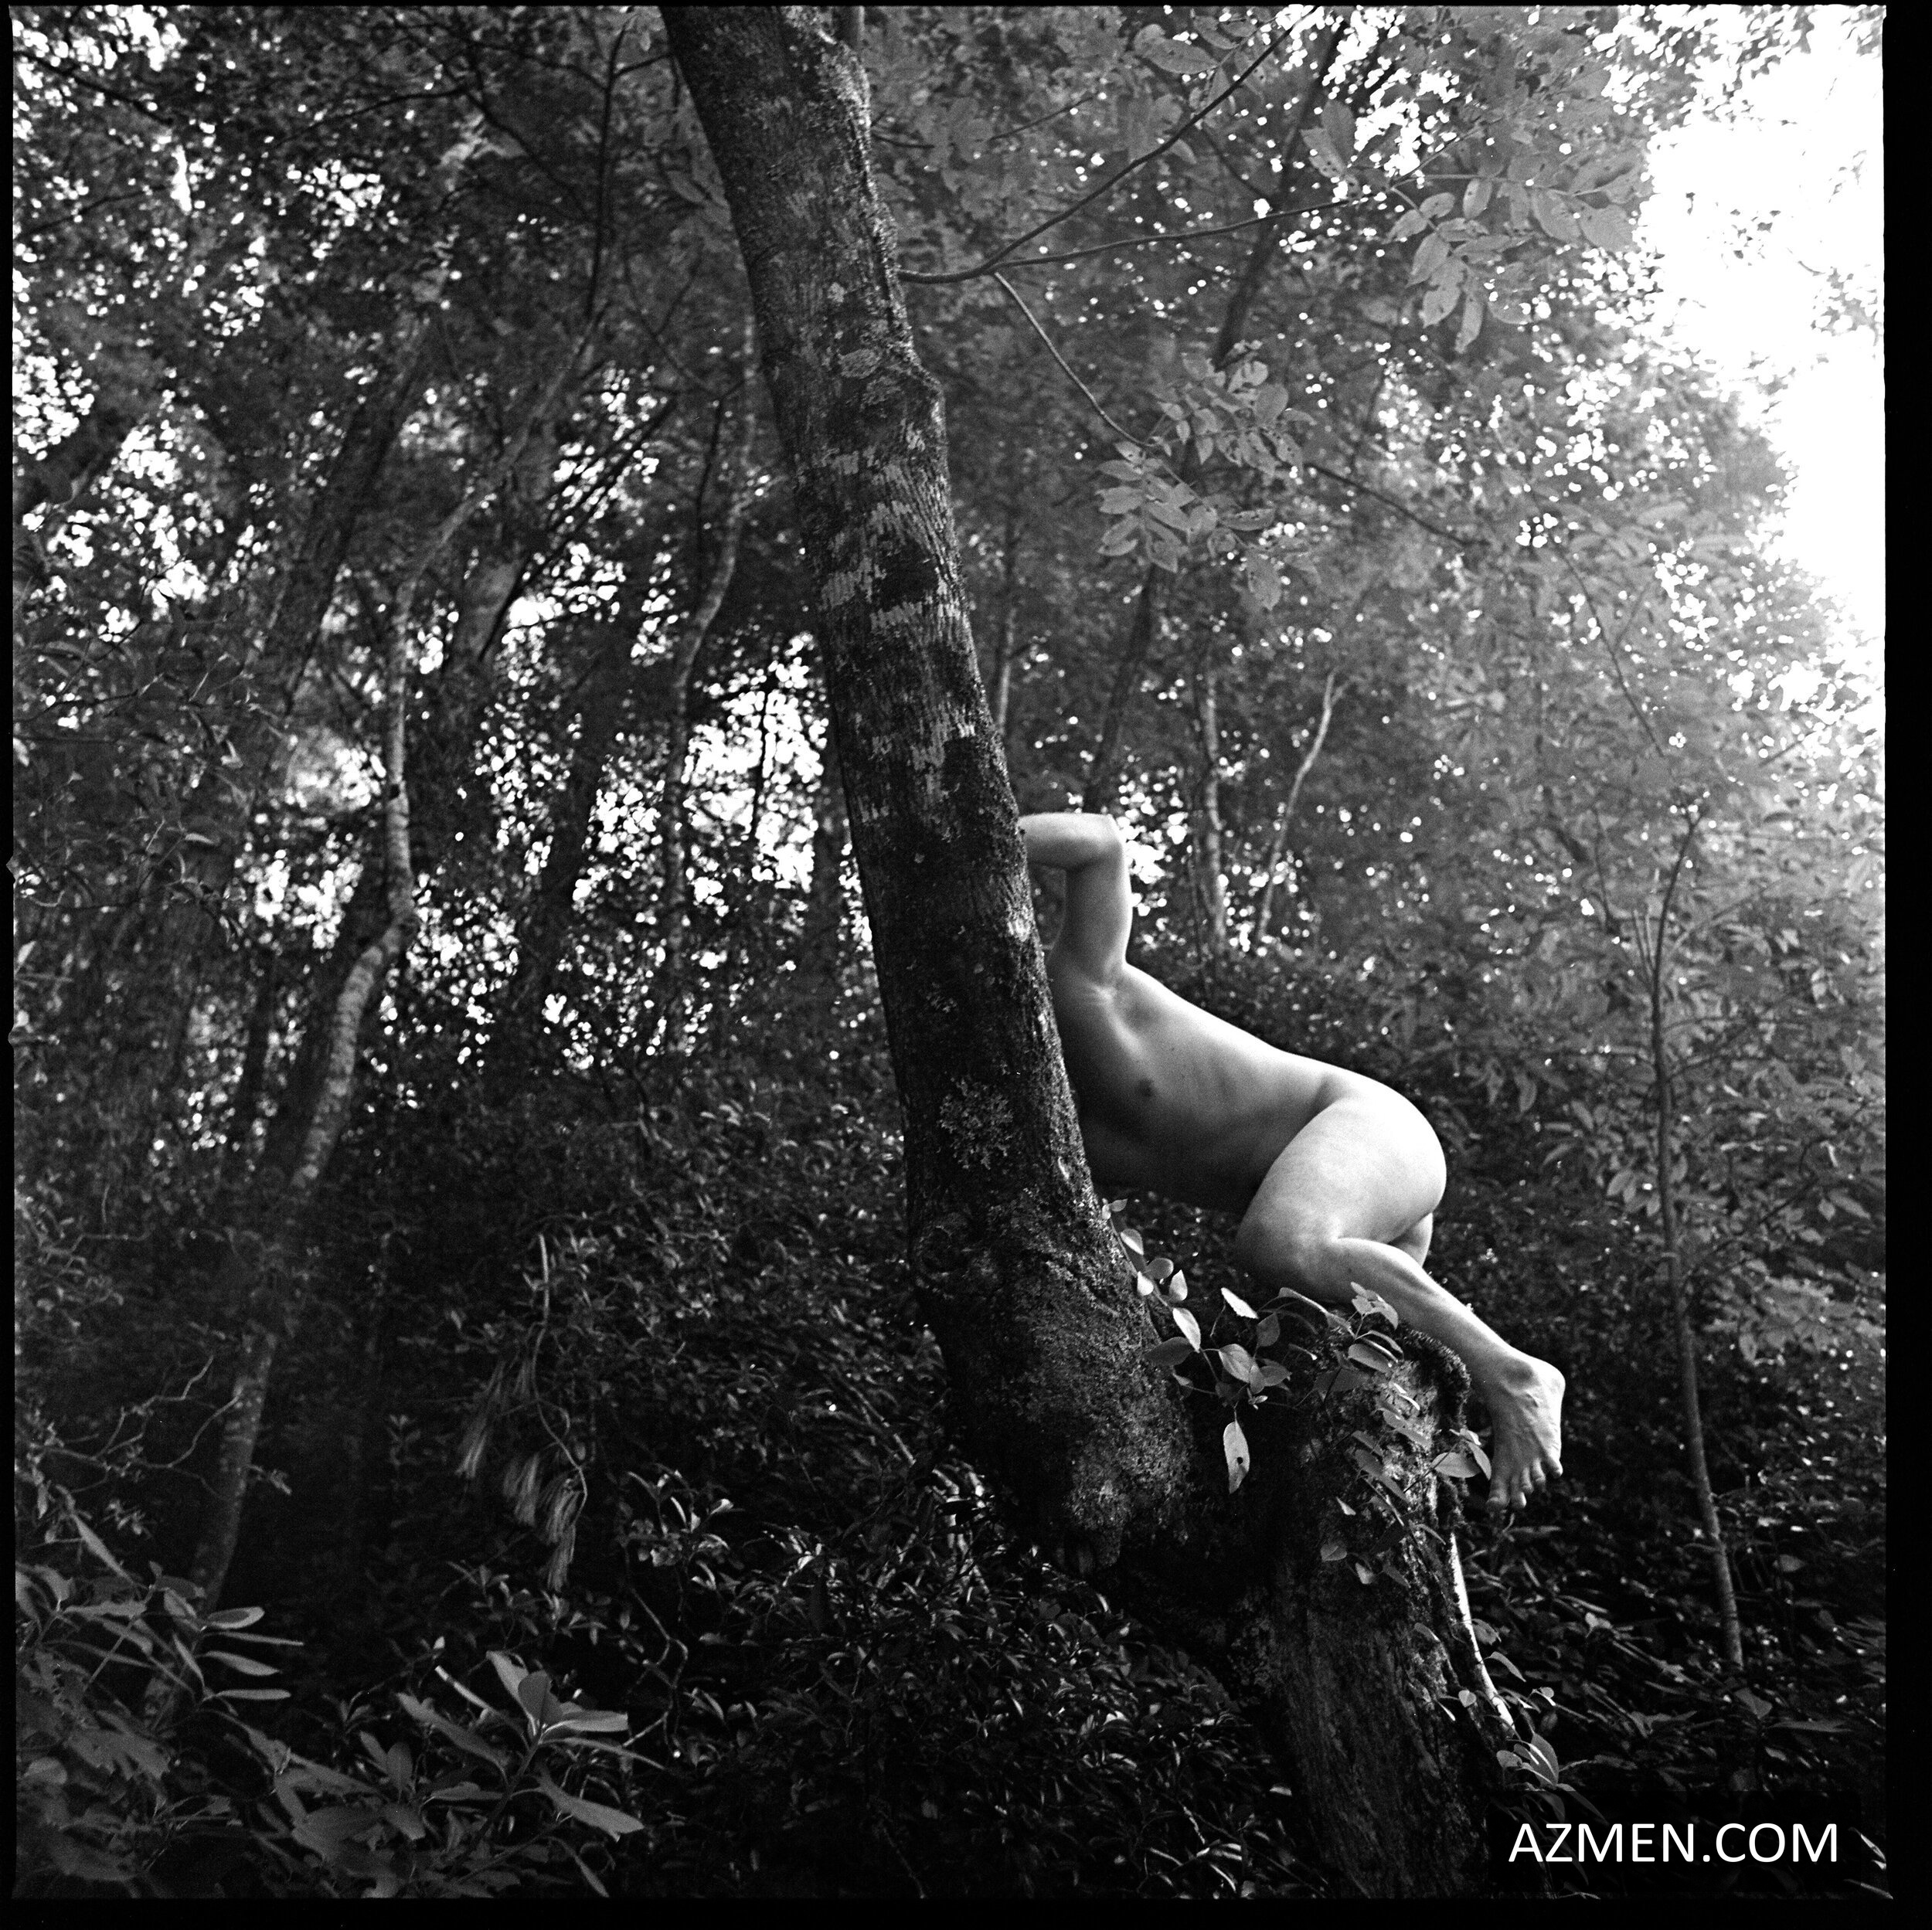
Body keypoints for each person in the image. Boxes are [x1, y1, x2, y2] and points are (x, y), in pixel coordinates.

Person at [1018, 809, 1564, 1510]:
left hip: (1364, 1126)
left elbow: (1101, 842)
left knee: (1279, 1243)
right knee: (1328, 1400)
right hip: (1352, 1212)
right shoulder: (1041, 1128)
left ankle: (1514, 1374)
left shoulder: (1080, 982)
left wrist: (970, 841)